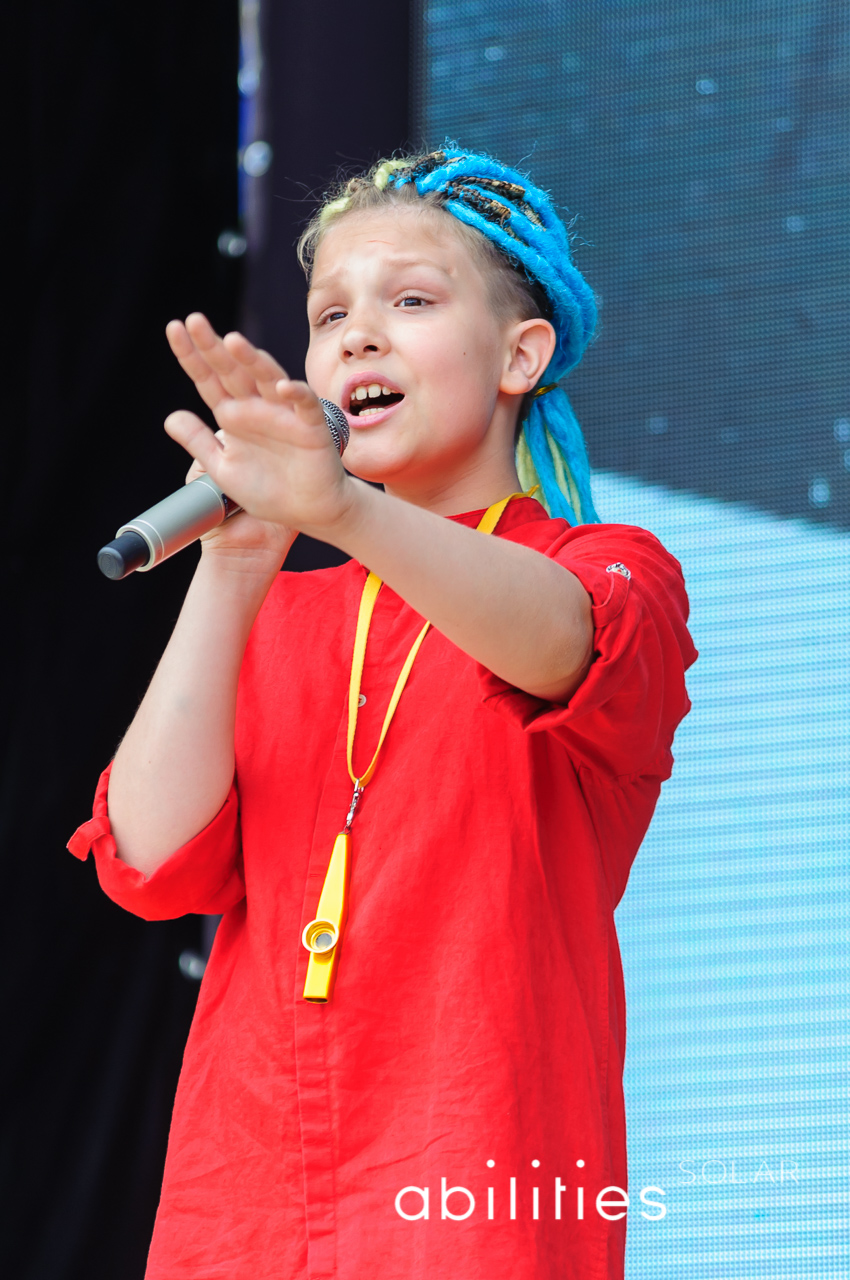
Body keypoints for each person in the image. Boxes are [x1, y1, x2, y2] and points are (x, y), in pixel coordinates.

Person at [69, 148, 697, 1280]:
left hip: (478, 1187)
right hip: (244, 1202)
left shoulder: (608, 568)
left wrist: (345, 511)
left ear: (521, 354)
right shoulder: (278, 614)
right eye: (330, 315)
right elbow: (148, 860)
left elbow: (561, 640)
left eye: (410, 301)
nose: (358, 336)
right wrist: (239, 562)